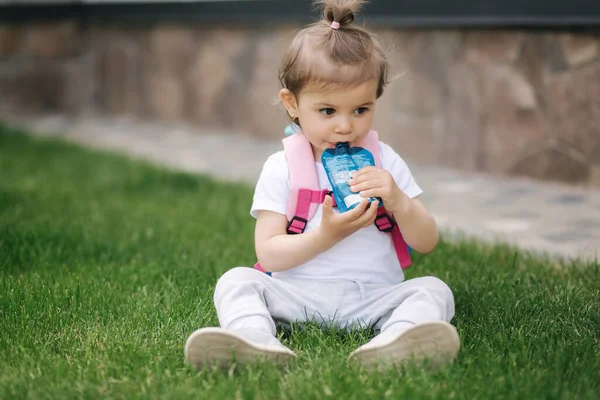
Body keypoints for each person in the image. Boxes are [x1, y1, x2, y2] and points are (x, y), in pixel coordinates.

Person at [184, 0, 459, 370]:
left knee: (434, 289)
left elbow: (426, 241)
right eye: (327, 111)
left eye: (360, 109)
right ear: (292, 104)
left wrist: (399, 201)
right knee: (236, 281)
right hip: (296, 295)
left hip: (373, 296)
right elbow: (268, 255)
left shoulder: (385, 161)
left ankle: (396, 341)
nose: (345, 126)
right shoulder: (281, 167)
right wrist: (326, 236)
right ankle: (254, 340)